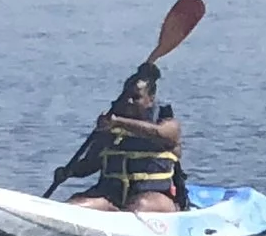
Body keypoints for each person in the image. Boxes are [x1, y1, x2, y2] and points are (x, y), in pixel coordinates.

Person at [66, 64, 184, 213]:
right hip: (112, 196)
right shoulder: (110, 128)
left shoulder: (168, 124)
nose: (129, 101)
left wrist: (119, 122)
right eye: (126, 96)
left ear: (151, 98)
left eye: (136, 97)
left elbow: (159, 133)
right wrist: (70, 171)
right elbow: (91, 164)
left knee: (140, 205)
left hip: (157, 197)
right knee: (74, 206)